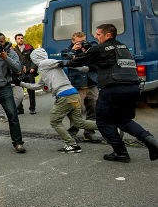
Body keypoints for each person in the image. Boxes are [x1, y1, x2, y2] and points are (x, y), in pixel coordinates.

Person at [60, 23, 158, 162]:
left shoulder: (99, 48)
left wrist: (63, 63)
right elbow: (102, 65)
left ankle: (121, 153)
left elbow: (79, 62)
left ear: (108, 35)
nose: (95, 36)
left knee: (103, 121)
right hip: (133, 88)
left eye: (98, 34)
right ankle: (150, 140)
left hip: (113, 88)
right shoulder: (123, 48)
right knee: (123, 120)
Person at [21, 48, 97, 152]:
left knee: (55, 121)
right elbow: (37, 86)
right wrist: (20, 83)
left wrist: (79, 65)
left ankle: (72, 145)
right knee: (79, 122)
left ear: (34, 58)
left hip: (64, 96)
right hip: (73, 94)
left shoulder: (45, 63)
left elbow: (63, 63)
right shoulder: (45, 69)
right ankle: (109, 126)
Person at [61, 32, 101, 143]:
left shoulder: (90, 50)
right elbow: (66, 59)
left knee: (93, 109)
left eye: (83, 41)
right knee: (76, 110)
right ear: (73, 41)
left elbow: (96, 62)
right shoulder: (66, 51)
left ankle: (89, 133)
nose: (81, 44)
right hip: (77, 84)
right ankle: (72, 134)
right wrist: (74, 50)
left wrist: (85, 51)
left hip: (91, 83)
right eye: (79, 42)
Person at [13, 34, 37, 114]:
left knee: (31, 91)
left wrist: (33, 68)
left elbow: (35, 58)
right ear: (16, 40)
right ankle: (20, 109)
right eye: (18, 38)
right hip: (19, 74)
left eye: (21, 38)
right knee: (19, 92)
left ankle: (32, 108)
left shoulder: (29, 47)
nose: (20, 39)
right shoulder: (14, 50)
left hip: (29, 73)